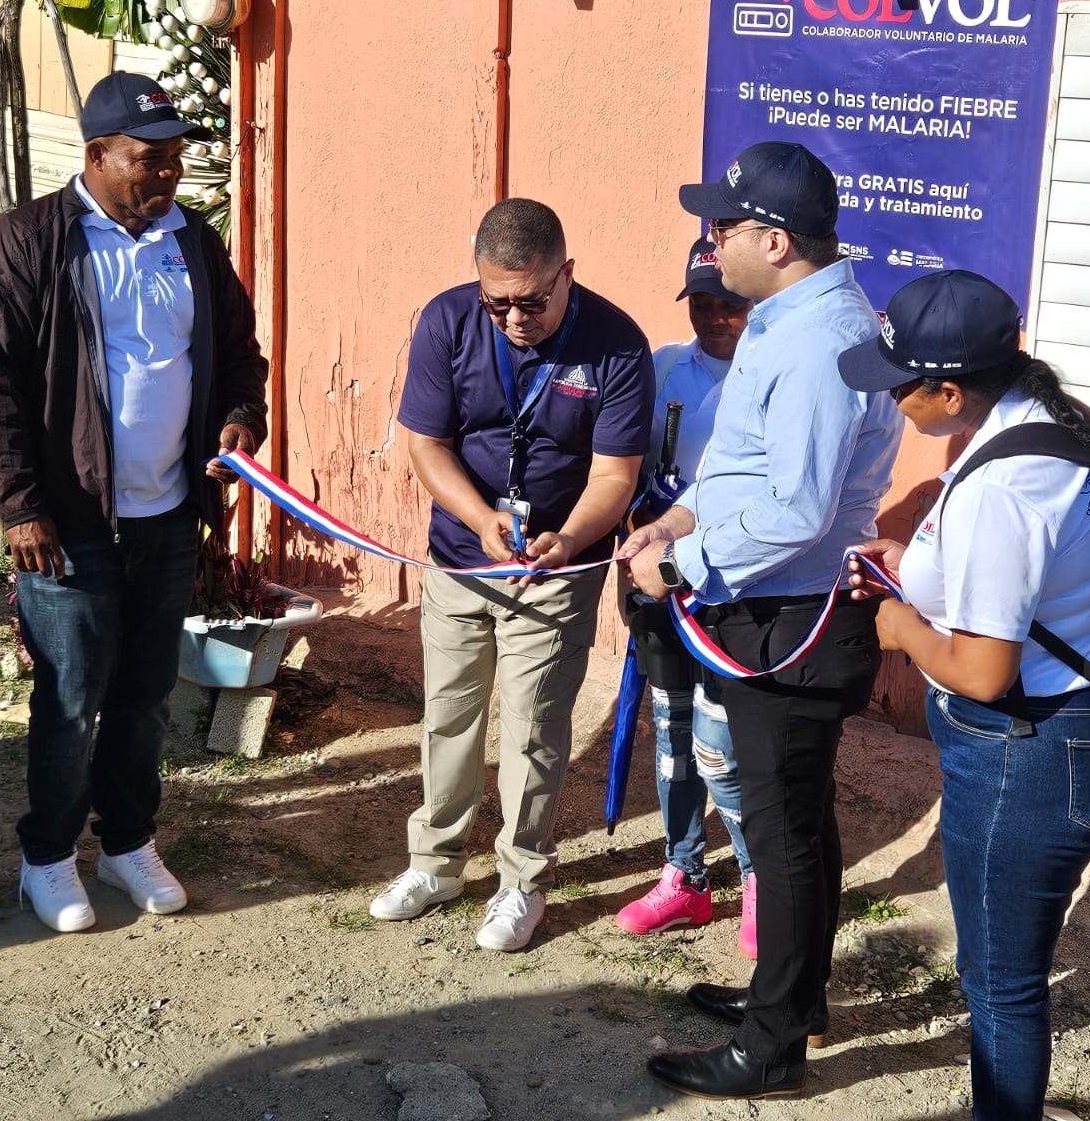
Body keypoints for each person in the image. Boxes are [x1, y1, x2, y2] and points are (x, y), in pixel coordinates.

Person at [838, 269, 1090, 1120]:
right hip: (1085, 736)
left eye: (900, 385)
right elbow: (1031, 583)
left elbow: (984, 672)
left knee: (1001, 982)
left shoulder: (1003, 490)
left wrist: (901, 628)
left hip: (1035, 754)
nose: (892, 399)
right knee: (1006, 968)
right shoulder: (1039, 428)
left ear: (949, 390)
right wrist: (914, 565)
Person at [624, 141, 904, 1100]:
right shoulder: (791, 320)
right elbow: (744, 468)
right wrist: (678, 514)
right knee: (798, 822)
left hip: (791, 615)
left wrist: (680, 562)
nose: (713, 240)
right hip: (771, 603)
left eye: (725, 226)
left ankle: (773, 1046)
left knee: (783, 832)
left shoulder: (822, 341)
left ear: (775, 241)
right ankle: (793, 998)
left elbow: (797, 509)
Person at [0, 71, 269, 934]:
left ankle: (129, 843)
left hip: (168, 514)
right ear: (96, 154)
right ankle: (48, 860)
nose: (166, 176)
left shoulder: (192, 241)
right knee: (68, 699)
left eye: (175, 160)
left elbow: (241, 355)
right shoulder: (27, 244)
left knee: (141, 694)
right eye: (148, 160)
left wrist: (241, 420)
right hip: (67, 523)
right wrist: (20, 504)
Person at [370, 198, 653, 953]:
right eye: (499, 303)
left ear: (568, 274)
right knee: (447, 718)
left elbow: (615, 472)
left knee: (532, 733)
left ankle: (521, 880)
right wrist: (478, 518)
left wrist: (568, 538)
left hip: (555, 569)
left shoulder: (617, 344)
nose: (515, 319)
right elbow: (426, 444)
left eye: (533, 301)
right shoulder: (449, 321)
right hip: (460, 559)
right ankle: (434, 864)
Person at [614, 238, 758, 952]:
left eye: (727, 303)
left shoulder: (774, 378)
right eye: (700, 302)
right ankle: (685, 875)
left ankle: (759, 878)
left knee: (723, 745)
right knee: (671, 734)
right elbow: (627, 464)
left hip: (734, 586)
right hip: (659, 581)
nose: (712, 317)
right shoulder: (667, 365)